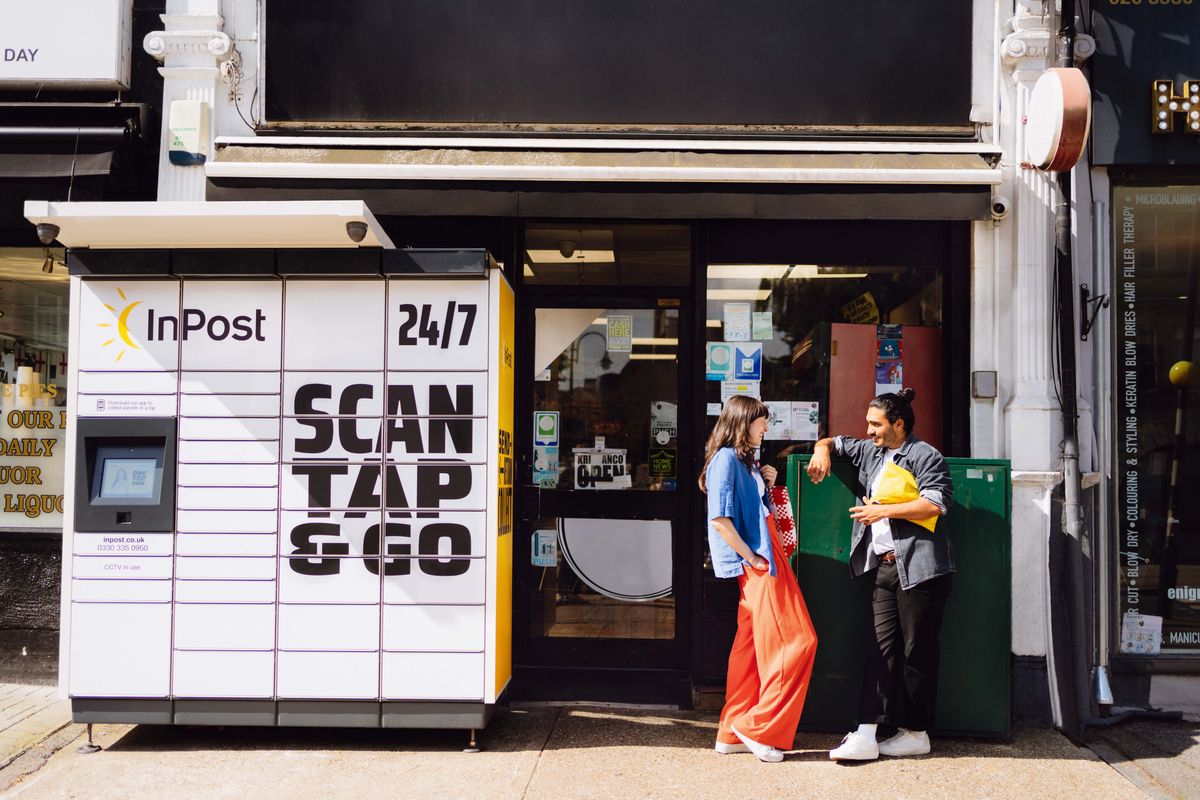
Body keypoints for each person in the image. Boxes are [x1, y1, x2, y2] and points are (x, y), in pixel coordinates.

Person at [807, 387, 954, 761]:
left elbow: (936, 503)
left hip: (921, 570)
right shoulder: (871, 451)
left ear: (899, 424)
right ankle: (866, 732)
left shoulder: (925, 455)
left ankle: (917, 734)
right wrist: (821, 450)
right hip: (883, 567)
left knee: (916, 652)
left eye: (876, 424)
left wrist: (882, 512)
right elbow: (834, 441)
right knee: (879, 650)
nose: (868, 430)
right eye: (868, 423)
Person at [700, 395, 818, 763]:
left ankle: (732, 730)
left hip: (763, 558)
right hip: (761, 563)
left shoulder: (743, 461)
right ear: (743, 422)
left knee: (750, 649)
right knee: (797, 642)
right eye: (761, 421)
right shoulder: (726, 460)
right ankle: (759, 728)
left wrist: (767, 482)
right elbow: (719, 519)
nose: (767, 427)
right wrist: (751, 556)